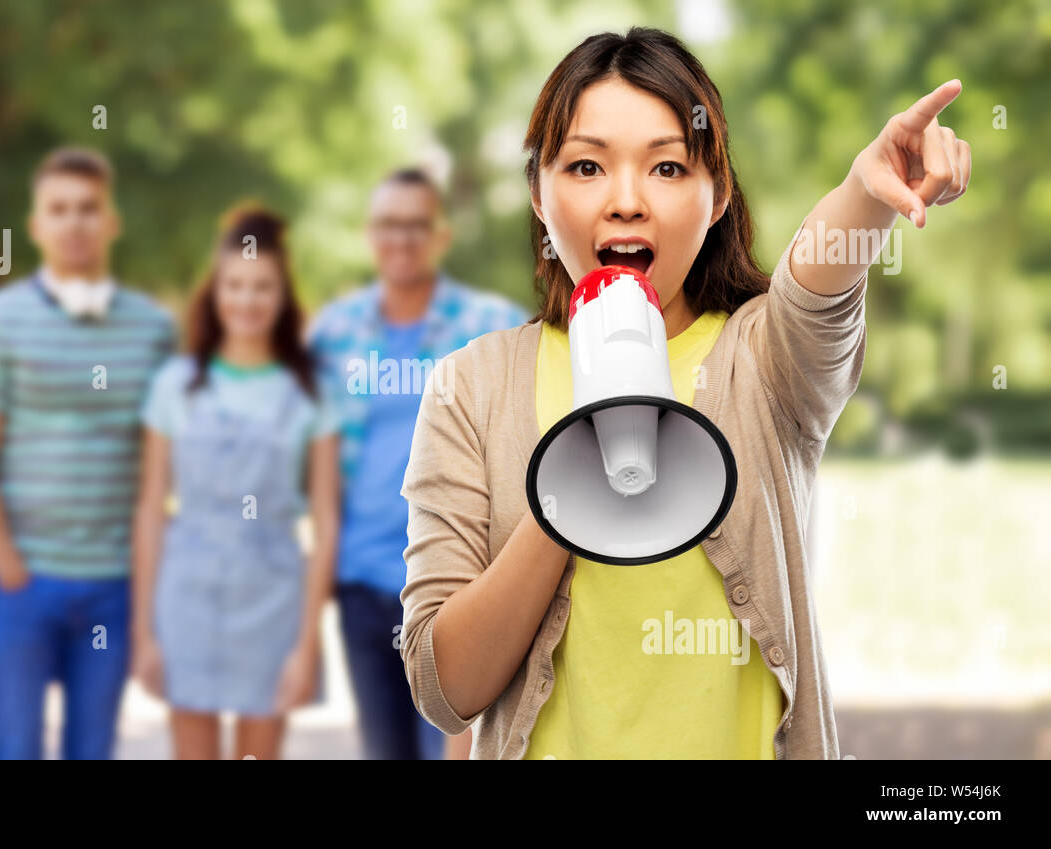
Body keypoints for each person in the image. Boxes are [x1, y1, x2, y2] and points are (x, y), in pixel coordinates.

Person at [399, 28, 970, 759]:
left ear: (718, 193)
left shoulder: (765, 361)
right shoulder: (469, 387)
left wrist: (866, 193)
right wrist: (570, 493)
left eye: (668, 167)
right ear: (538, 194)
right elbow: (447, 688)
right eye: (585, 166)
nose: (627, 201)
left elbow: (818, 283)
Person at [0, 148, 176, 760]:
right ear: (36, 225)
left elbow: (161, 467)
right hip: (23, 584)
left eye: (89, 209)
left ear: (112, 221)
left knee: (92, 749)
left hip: (112, 586)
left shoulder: (153, 330)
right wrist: (10, 568)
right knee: (16, 748)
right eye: (60, 210)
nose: (75, 223)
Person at [309, 168, 527, 760]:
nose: (400, 239)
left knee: (462, 749)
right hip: (365, 584)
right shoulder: (333, 334)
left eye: (415, 225)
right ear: (370, 235)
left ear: (440, 236)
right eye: (388, 225)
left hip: (459, 584)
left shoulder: (493, 326)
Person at [131, 205, 339, 760]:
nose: (247, 301)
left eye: (262, 287)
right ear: (215, 291)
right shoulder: (175, 386)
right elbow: (152, 506)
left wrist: (307, 641)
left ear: (282, 296)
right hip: (187, 591)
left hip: (273, 597)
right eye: (236, 285)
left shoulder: (312, 393)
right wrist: (143, 631)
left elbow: (325, 519)